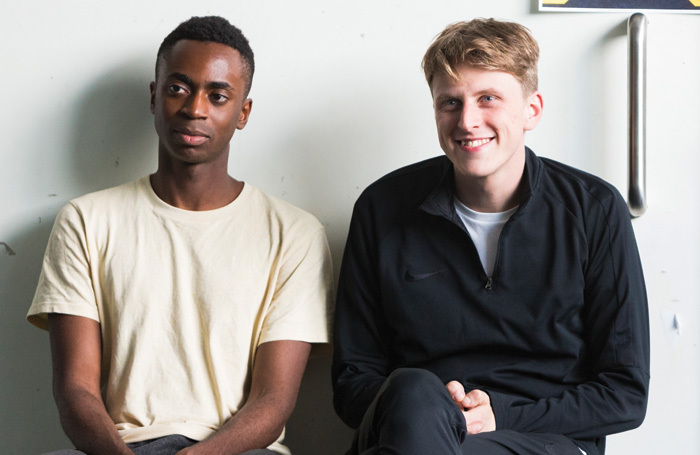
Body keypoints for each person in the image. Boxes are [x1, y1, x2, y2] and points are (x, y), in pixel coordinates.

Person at [332, 18, 649, 455]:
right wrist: (439, 412)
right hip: (410, 428)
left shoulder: (594, 209)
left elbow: (624, 393)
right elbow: (352, 381)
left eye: (488, 99)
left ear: (531, 110)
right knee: (412, 390)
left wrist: (499, 414)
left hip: (543, 441)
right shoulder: (382, 208)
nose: (467, 121)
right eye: (449, 103)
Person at [27, 16, 333, 455]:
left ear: (242, 113)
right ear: (155, 97)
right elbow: (75, 390)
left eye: (218, 95)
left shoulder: (294, 234)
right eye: (178, 88)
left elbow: (274, 400)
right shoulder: (85, 221)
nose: (195, 108)